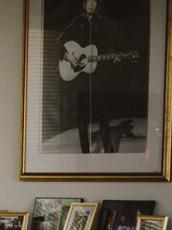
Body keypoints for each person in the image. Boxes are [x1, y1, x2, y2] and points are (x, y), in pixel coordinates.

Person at [57, 0, 122, 153]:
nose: (92, 4)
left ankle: (108, 151)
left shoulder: (103, 23)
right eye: (89, 1)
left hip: (99, 76)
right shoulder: (78, 21)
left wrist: (115, 55)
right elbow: (61, 40)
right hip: (82, 78)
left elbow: (113, 43)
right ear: (84, 4)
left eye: (94, 1)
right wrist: (68, 56)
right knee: (82, 119)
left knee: (103, 116)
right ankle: (85, 152)